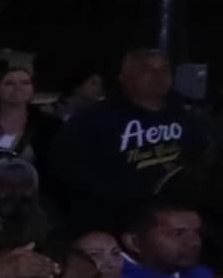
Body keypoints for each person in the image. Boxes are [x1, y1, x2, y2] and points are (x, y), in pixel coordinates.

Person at [47, 44, 202, 225]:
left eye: (164, 70)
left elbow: (201, 165)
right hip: (112, 223)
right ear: (123, 77)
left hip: (176, 221)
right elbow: (67, 173)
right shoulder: (91, 119)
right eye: (147, 70)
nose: (158, 76)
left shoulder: (189, 119)